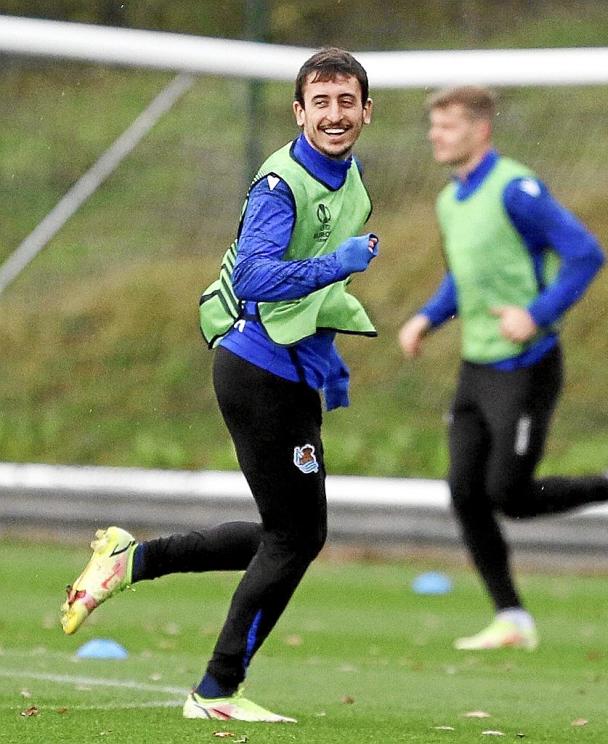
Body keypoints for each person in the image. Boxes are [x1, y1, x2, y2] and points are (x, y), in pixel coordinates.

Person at [60, 47, 379, 722]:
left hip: (289, 372)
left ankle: (130, 561)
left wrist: (332, 359)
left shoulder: (353, 187)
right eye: (320, 102)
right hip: (256, 370)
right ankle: (215, 691)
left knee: (284, 532)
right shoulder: (279, 183)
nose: (334, 114)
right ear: (299, 112)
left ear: (366, 112)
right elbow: (262, 281)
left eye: (345, 101)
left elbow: (312, 295)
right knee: (297, 537)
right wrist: (337, 263)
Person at [398, 86, 608, 651]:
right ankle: (512, 618)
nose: (435, 136)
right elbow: (465, 275)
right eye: (433, 126)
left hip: (528, 366)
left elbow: (586, 253)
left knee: (508, 495)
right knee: (465, 493)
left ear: (480, 130)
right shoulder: (451, 201)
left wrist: (536, 314)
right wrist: (427, 317)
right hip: (477, 367)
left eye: (447, 126)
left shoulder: (517, 190)